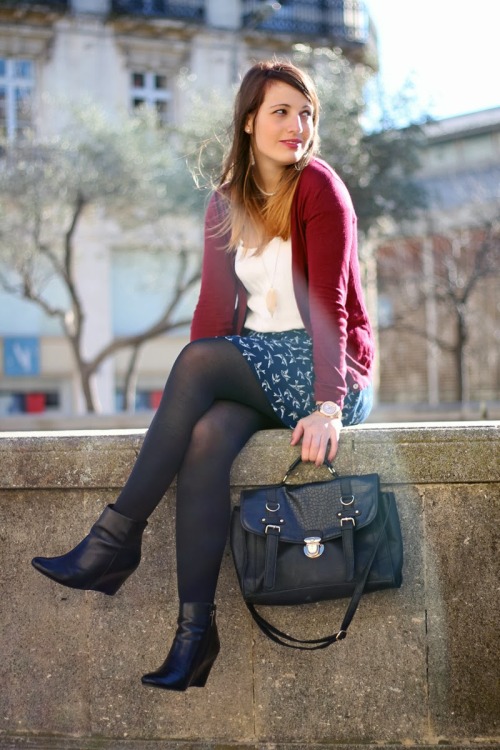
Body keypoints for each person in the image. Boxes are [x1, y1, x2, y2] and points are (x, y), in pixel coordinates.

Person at [31, 59, 375, 692]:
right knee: (204, 439)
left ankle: (114, 541)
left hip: (329, 372)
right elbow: (214, 316)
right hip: (260, 366)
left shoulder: (320, 189)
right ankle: (195, 636)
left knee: (199, 362)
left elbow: (328, 304)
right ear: (248, 122)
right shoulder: (226, 203)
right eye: (280, 112)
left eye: (305, 114)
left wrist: (329, 405)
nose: (296, 126)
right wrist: (198, 394)